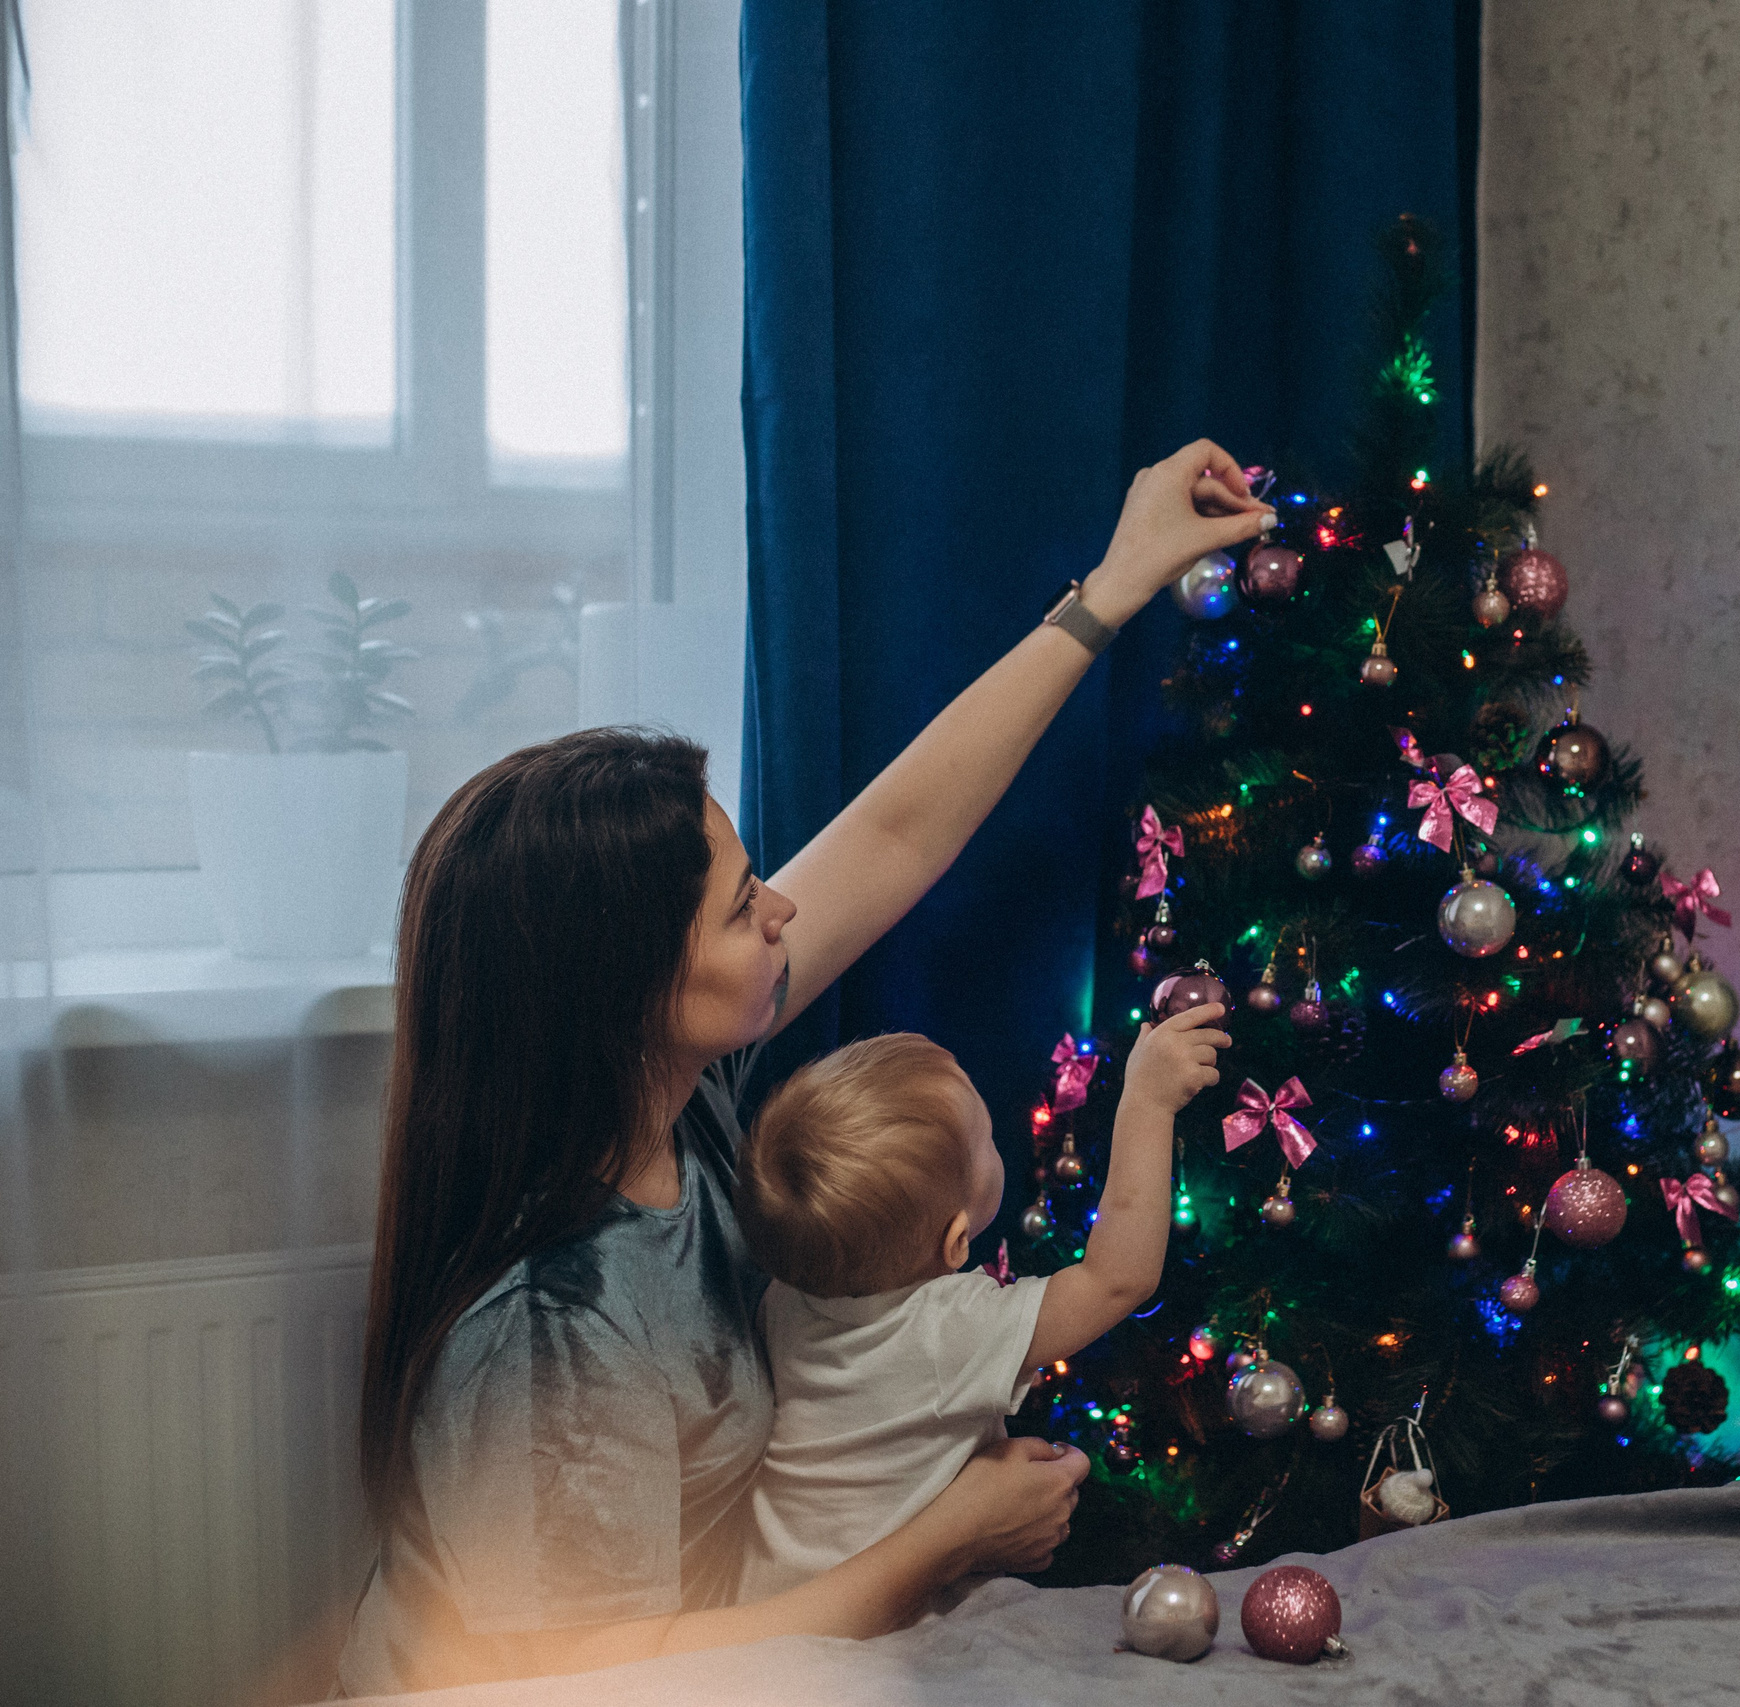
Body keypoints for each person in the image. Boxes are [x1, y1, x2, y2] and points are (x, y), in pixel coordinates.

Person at [338, 442, 1272, 1694]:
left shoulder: (695, 1106)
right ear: (625, 995)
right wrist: (948, 1537)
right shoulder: (547, 1336)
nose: (781, 909)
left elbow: (894, 832)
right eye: (738, 907)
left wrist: (1110, 588)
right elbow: (578, 1681)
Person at [731, 1006, 1226, 1601]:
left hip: (771, 1597)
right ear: (957, 1241)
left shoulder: (788, 1297)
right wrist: (1147, 1102)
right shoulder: (947, 1329)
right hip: (883, 1630)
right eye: (987, 1142)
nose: (999, 1142)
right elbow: (1118, 1278)